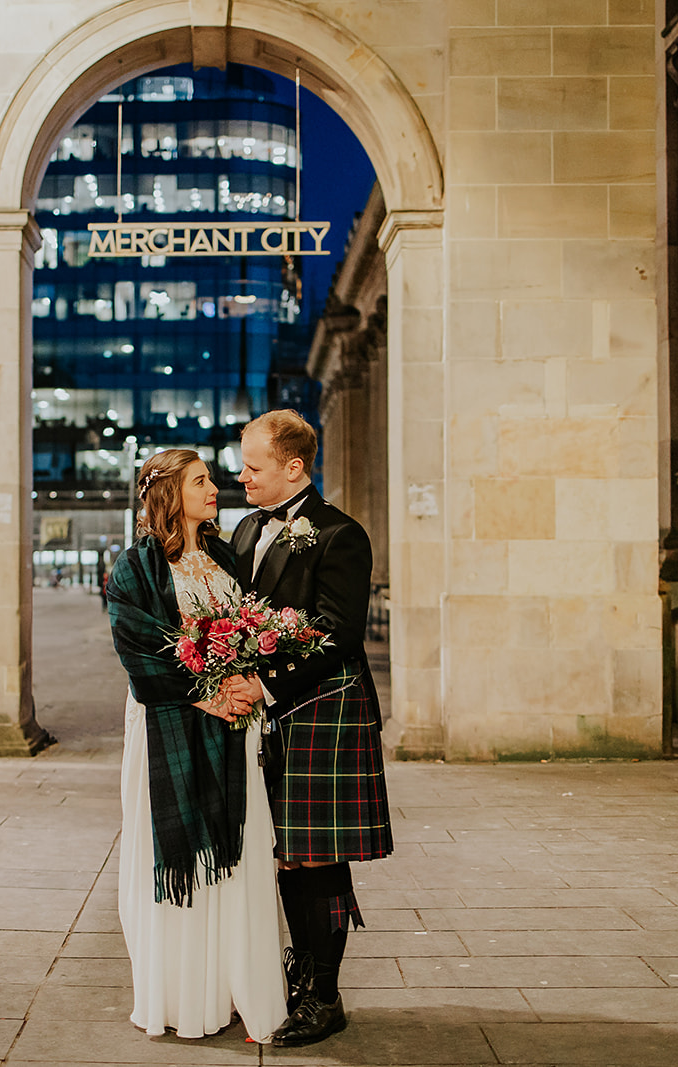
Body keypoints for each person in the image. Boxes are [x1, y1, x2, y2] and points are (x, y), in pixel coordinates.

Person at [105, 448, 288, 1042]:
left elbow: (250, 632)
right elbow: (136, 644)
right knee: (179, 852)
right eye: (202, 481)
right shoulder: (136, 567)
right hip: (167, 727)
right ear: (169, 493)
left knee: (240, 852)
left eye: (212, 480)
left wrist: (244, 683)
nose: (216, 489)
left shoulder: (224, 557)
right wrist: (201, 694)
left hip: (235, 730)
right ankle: (184, 995)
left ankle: (233, 983)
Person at [227, 409, 393, 1047]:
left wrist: (264, 684)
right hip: (268, 717)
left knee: (315, 861)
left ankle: (324, 996)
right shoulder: (245, 530)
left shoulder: (338, 534)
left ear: (294, 467)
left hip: (324, 712)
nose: (241, 476)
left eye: (254, 466)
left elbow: (338, 633)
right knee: (282, 858)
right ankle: (299, 977)